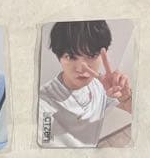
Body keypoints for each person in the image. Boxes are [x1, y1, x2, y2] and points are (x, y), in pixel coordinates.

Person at [40, 20, 133, 148]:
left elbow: (139, 114)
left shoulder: (102, 86)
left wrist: (126, 97)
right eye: (70, 57)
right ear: (59, 57)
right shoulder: (43, 102)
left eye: (91, 55)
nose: (81, 69)